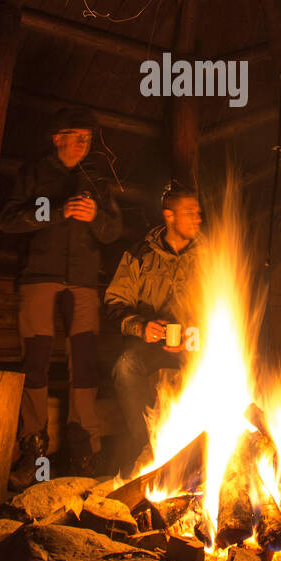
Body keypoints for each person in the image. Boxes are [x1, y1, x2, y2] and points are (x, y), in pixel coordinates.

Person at [0, 106, 122, 485]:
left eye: (87, 137)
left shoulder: (96, 180)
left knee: (83, 364)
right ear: (57, 139)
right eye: (76, 135)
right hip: (39, 278)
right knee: (34, 360)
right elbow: (8, 219)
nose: (84, 143)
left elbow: (113, 230)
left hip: (83, 282)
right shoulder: (33, 173)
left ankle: (83, 450)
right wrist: (56, 211)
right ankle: (33, 449)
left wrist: (94, 217)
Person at [105, 185, 203, 468]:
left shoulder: (208, 257)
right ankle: (147, 446)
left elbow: (222, 305)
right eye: (190, 213)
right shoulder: (140, 254)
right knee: (124, 368)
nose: (198, 218)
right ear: (169, 216)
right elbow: (115, 301)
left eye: (198, 213)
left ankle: (203, 450)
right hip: (148, 342)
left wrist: (196, 332)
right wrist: (142, 326)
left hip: (193, 346)